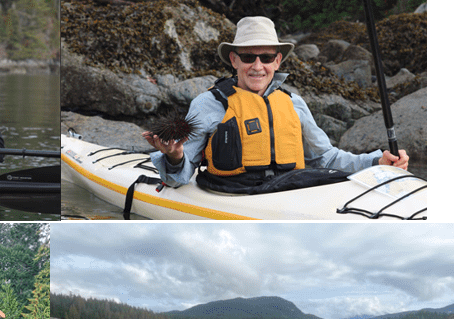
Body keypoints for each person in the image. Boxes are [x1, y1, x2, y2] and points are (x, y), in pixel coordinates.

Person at [142, 16, 410, 192]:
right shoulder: (208, 104)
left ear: (278, 61)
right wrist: (175, 157)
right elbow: (177, 178)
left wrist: (377, 160)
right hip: (234, 193)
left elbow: (326, 158)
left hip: (289, 190)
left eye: (267, 57)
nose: (257, 66)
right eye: (248, 57)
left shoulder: (294, 102)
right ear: (234, 60)